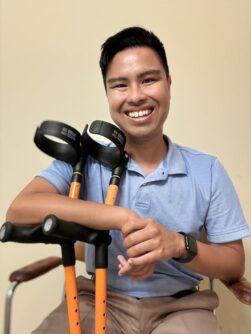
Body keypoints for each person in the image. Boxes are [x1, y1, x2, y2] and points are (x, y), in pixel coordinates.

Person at [6, 26, 251, 334]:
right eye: (120, 85)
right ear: (107, 93)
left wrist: (175, 244)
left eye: (148, 80)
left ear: (169, 84)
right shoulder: (82, 159)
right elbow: (20, 209)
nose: (135, 96)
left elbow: (233, 264)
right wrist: (120, 217)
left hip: (181, 308)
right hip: (97, 300)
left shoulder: (208, 170)